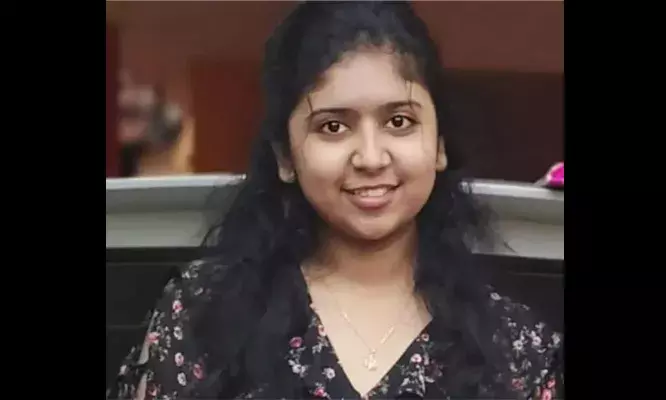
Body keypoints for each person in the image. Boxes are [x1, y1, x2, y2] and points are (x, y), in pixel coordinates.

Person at [108, 2, 563, 399]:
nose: (370, 157)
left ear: (439, 145)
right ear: (286, 158)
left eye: (399, 122)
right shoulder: (201, 316)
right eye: (333, 127)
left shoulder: (515, 351)